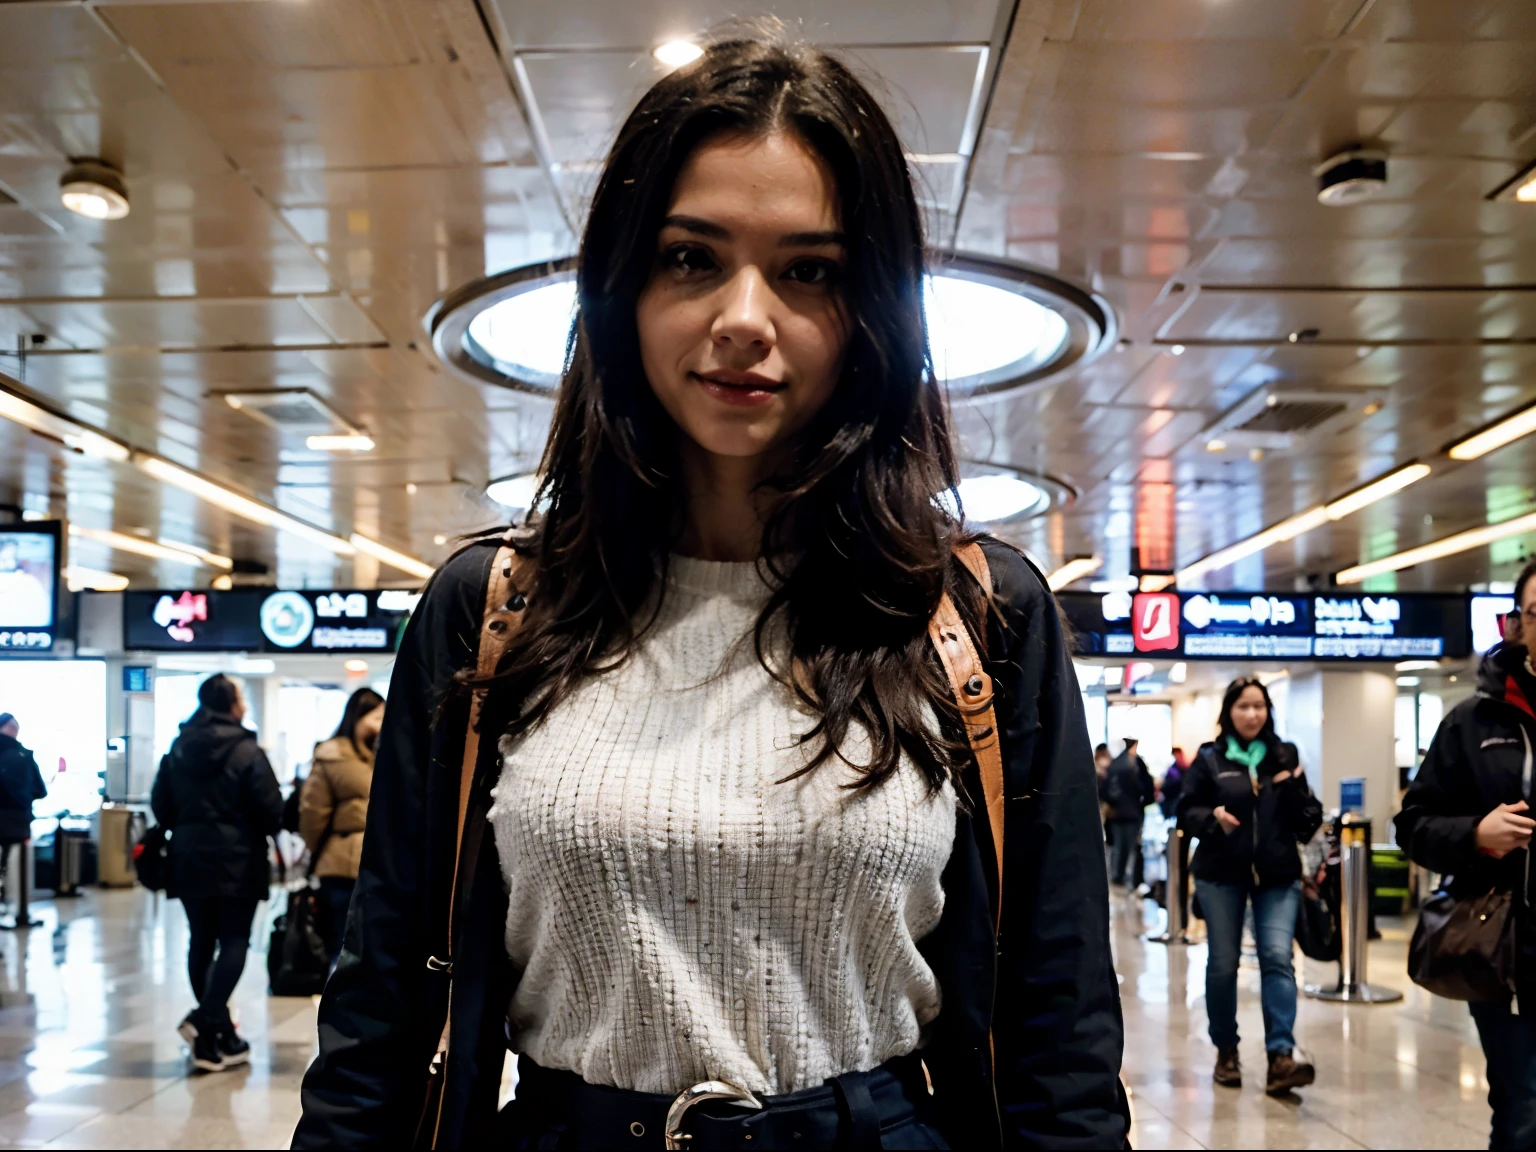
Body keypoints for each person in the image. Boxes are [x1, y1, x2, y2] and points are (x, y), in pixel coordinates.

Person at [294, 31, 1127, 1150]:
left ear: (871, 310)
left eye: (809, 271)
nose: (746, 316)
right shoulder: (491, 611)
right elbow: (380, 1020)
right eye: (693, 258)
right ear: (621, 288)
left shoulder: (982, 619)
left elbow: (1058, 1036)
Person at [1397, 557, 1536, 1149]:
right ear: (1518, 626)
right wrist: (1476, 833)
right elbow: (1414, 825)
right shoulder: (1472, 724)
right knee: (1523, 1113)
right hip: (1510, 951)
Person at [1178, 676, 1321, 1095]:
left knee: (1277, 957)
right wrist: (1212, 821)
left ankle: (1281, 1056)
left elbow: (1306, 818)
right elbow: (1185, 810)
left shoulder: (1284, 754)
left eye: (1259, 706)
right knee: (1223, 963)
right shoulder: (1209, 758)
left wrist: (1292, 785)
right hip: (1220, 873)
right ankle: (1226, 1050)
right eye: (1244, 706)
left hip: (1277, 874)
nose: (1252, 714)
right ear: (1229, 712)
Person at [150, 674, 282, 1073]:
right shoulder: (247, 750)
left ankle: (214, 1036)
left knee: (201, 940)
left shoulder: (178, 747)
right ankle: (205, 1021)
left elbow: (162, 805)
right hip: (238, 855)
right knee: (235, 939)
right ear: (233, 703)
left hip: (188, 853)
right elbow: (270, 809)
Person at [299, 688, 384, 965]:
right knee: (342, 940)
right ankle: (338, 1002)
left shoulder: (387, 754)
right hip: (340, 864)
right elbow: (313, 812)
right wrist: (315, 850)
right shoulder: (331, 755)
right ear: (357, 718)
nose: (381, 725)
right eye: (376, 718)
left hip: (381, 864)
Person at [0, 713, 47, 891]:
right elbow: (40, 790)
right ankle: (11, 901)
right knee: (10, 864)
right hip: (18, 822)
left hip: (13, 821)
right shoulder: (24, 756)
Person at [1105, 738, 1153, 886]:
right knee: (1132, 848)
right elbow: (1146, 788)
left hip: (1117, 813)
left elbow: (1106, 789)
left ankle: (1117, 877)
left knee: (1119, 847)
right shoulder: (1135, 764)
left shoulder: (1115, 764)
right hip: (1132, 813)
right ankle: (1132, 879)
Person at [1160, 746, 1188, 819]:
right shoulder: (1172, 771)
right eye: (1177, 755)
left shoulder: (1186, 768)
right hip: (1175, 805)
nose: (1179, 757)